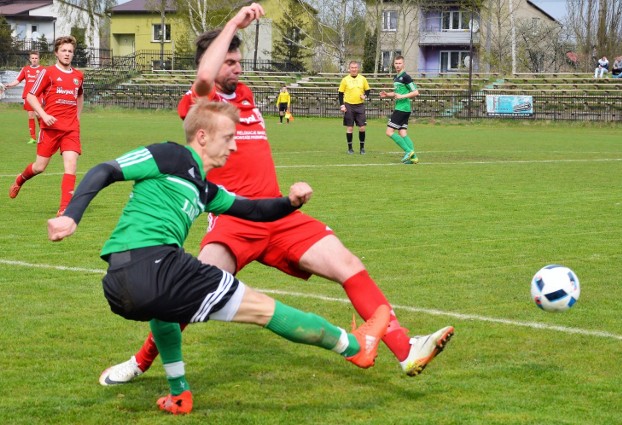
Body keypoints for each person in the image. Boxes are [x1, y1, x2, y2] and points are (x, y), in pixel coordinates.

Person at [47, 15, 393, 415]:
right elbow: (105, 169)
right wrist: (72, 215)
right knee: (268, 311)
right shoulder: (171, 154)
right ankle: (354, 345)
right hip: (160, 269)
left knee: (164, 309)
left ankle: (178, 392)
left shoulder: (207, 189)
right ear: (203, 135)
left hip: (120, 284)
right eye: (229, 139)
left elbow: (253, 209)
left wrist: (292, 203)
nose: (233, 147)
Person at [99, 13, 454, 389]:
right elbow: (204, 79)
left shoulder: (247, 96)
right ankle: (140, 362)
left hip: (278, 212)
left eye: (238, 61)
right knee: (181, 294)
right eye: (229, 62)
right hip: (233, 220)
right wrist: (233, 24)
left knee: (347, 264)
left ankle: (405, 349)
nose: (237, 68)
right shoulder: (201, 104)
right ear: (212, 62)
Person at [8, 36, 84, 217]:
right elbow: (31, 96)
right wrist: (44, 115)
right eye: (64, 50)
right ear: (57, 53)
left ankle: (64, 208)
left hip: (71, 129)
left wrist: (77, 118)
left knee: (71, 166)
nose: (67, 54)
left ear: (73, 54)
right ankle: (20, 179)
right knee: (39, 167)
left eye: (70, 51)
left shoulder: (78, 76)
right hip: (50, 129)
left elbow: (80, 96)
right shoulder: (48, 72)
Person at [380, 55, 420, 164]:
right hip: (403, 108)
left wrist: (402, 97)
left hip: (402, 108)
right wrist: (387, 94)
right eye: (396, 63)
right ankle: (414, 158)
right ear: (394, 64)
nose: (398, 65)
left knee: (389, 132)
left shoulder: (406, 77)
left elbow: (416, 92)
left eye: (400, 63)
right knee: (402, 132)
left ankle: (408, 151)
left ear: (403, 64)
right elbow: (397, 93)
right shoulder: (396, 77)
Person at [2, 51, 45, 144]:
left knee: (38, 114)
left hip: (38, 95)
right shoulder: (25, 69)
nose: (34, 60)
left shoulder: (43, 70)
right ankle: (33, 138)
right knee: (30, 115)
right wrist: (8, 85)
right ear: (30, 59)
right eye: (32, 58)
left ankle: (43, 135)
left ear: (38, 59)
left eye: (36, 58)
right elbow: (17, 81)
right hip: (28, 96)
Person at [338, 61, 370, 155]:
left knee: (362, 128)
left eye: (355, 67)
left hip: (360, 105)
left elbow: (367, 90)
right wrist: (342, 105)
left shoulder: (363, 79)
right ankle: (350, 148)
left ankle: (362, 148)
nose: (354, 69)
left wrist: (365, 96)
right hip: (349, 105)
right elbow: (340, 93)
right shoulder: (345, 80)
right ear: (349, 69)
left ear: (358, 68)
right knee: (350, 128)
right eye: (352, 67)